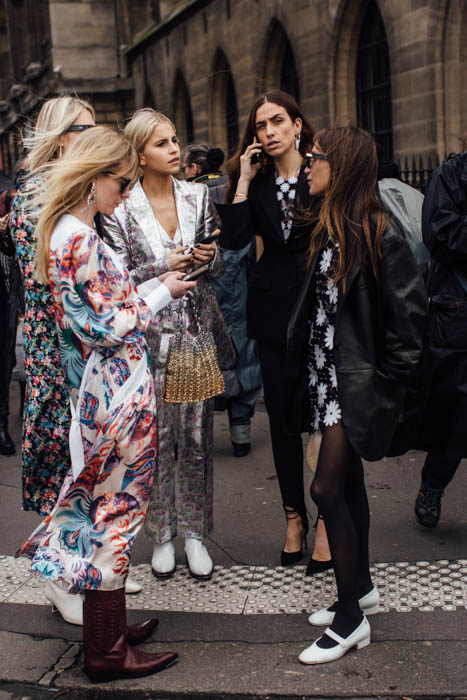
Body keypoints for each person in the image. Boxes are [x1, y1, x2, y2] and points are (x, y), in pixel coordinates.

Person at [17, 126, 196, 681]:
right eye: (122, 181)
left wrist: (153, 287)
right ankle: (106, 650)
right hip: (118, 393)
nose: (126, 191)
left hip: (107, 389)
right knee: (118, 514)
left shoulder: (70, 230)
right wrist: (162, 292)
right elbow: (96, 326)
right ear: (95, 178)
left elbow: (101, 311)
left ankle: (109, 630)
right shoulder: (79, 237)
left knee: (107, 509)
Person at [284, 126, 426, 664]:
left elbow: (407, 329)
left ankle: (351, 621)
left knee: (324, 490)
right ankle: (360, 588)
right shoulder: (331, 227)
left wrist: (383, 391)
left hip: (355, 385)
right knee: (348, 485)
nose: (307, 165)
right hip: (328, 378)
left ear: (340, 167)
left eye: (315, 157)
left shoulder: (378, 232)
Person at [102, 109, 234, 581]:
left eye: (175, 139)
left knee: (197, 438)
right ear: (140, 154)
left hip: (195, 334)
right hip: (147, 339)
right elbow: (117, 278)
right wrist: (163, 264)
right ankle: (161, 535)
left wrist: (208, 257)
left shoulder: (197, 196)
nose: (174, 149)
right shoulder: (121, 208)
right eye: (161, 143)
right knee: (156, 440)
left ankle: (195, 533)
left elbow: (218, 265)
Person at [215, 89, 330, 569]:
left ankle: (327, 520)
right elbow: (236, 240)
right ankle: (293, 518)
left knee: (325, 418)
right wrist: (243, 178)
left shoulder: (320, 171)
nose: (269, 131)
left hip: (320, 307)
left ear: (297, 124)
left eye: (278, 120)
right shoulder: (256, 182)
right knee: (282, 421)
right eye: (261, 125)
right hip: (272, 313)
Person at [9, 96, 95, 515]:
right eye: (85, 131)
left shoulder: (82, 187)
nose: (94, 138)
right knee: (66, 454)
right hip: (58, 343)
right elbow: (44, 279)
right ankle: (68, 546)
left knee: (90, 455)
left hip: (84, 338)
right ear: (62, 138)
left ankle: (88, 545)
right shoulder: (35, 196)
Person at [182, 143, 262, 457]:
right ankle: (241, 434)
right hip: (239, 286)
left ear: (193, 168)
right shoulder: (235, 191)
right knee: (242, 350)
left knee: (201, 352)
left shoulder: (186, 197)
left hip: (203, 286)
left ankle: (198, 438)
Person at [412, 148, 467, 528]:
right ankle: (433, 483)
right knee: (457, 413)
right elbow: (440, 233)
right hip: (458, 313)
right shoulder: (452, 172)